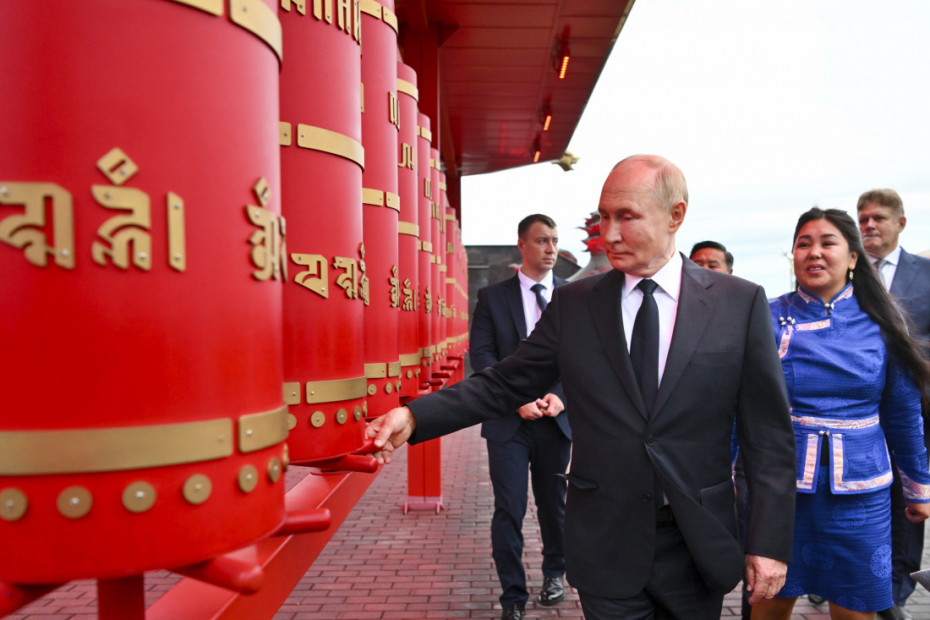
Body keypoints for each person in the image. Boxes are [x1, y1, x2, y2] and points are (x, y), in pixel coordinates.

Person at [367, 154, 797, 619]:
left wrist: (768, 543)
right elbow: (506, 382)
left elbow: (767, 436)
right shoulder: (575, 303)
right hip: (606, 541)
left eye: (626, 217)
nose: (609, 234)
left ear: (676, 215)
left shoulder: (739, 303)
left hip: (696, 541)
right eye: (605, 216)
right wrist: (415, 415)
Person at [752, 207, 930, 620]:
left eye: (827, 242)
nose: (814, 252)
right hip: (782, 491)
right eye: (803, 244)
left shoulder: (885, 320)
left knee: (855, 608)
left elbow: (903, 413)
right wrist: (727, 475)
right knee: (768, 603)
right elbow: (742, 407)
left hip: (861, 494)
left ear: (853, 257)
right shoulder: (765, 317)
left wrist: (919, 487)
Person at [470, 213, 572, 620]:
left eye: (555, 241)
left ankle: (555, 574)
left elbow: (583, 356)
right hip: (508, 421)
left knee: (554, 506)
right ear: (522, 245)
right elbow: (482, 355)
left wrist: (560, 396)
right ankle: (512, 596)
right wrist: (514, 400)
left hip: (554, 419)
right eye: (543, 240)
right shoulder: (493, 298)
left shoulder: (572, 297)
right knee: (509, 508)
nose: (551, 249)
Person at [857, 189, 930, 620]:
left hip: (913, 406)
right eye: (863, 218)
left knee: (908, 499)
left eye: (878, 218)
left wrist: (906, 355)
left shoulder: (926, 273)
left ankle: (898, 589)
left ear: (900, 223)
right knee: (861, 501)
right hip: (857, 410)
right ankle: (848, 577)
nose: (869, 225)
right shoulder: (843, 271)